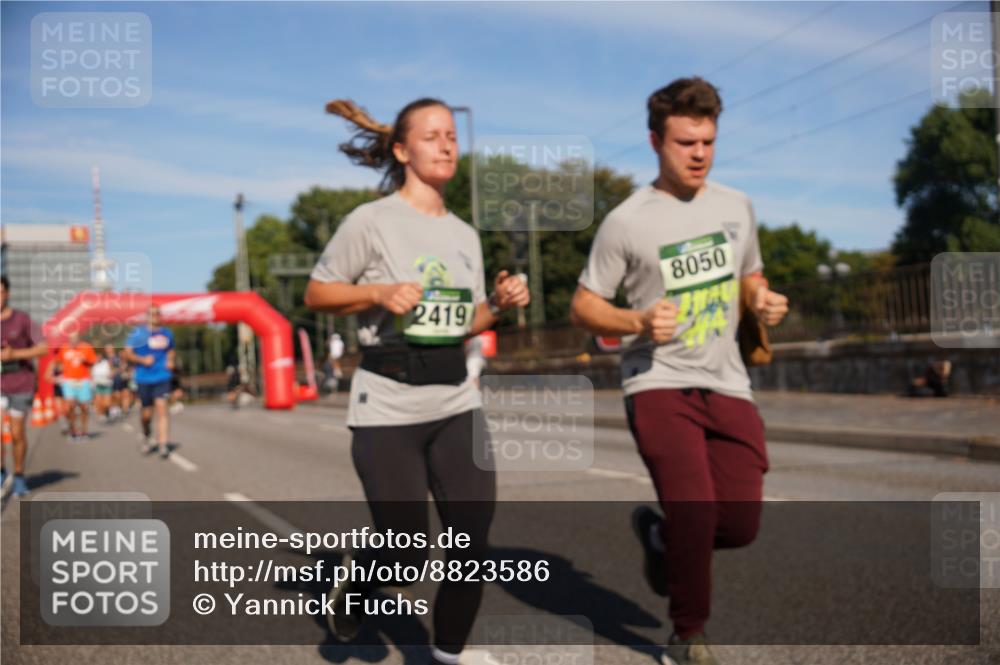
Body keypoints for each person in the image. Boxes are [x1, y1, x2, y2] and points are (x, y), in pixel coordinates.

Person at [569, 78, 789, 665]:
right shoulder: (627, 220)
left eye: (708, 142)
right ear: (655, 142)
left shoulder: (736, 206)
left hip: (728, 381)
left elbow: (751, 274)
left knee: (738, 524)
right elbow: (584, 305)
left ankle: (661, 538)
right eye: (685, 143)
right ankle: (688, 636)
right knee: (695, 509)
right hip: (657, 380)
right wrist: (637, 320)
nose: (699, 154)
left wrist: (761, 299)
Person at [305, 97, 529, 665]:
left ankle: (448, 656)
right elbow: (317, 293)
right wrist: (378, 292)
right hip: (388, 403)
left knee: (471, 547)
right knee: (406, 557)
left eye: (451, 135)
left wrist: (499, 304)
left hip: (455, 401)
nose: (447, 145)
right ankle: (359, 585)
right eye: (432, 136)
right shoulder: (371, 221)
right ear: (403, 151)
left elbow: (466, 322)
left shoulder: (465, 234)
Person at [0, 276, 48, 496]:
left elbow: (43, 348)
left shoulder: (22, 319)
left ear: (7, 294)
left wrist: (15, 354)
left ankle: (19, 476)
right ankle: (1, 473)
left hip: (20, 383)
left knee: (17, 433)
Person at [124, 305, 176, 458]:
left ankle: (163, 444)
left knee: (162, 408)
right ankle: (146, 434)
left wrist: (170, 360)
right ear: (147, 316)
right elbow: (127, 353)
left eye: (158, 313)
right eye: (152, 314)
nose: (156, 316)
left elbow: (171, 349)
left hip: (162, 376)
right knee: (146, 415)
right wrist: (142, 359)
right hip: (144, 378)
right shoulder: (138, 333)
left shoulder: (167, 333)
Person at [53, 331, 98, 442]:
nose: (73, 341)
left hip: (83, 380)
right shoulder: (64, 348)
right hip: (69, 381)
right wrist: (60, 370)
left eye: (75, 339)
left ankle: (84, 431)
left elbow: (93, 361)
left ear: (79, 339)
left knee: (84, 407)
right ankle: (73, 431)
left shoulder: (86, 348)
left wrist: (85, 361)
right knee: (70, 407)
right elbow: (57, 362)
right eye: (71, 339)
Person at [91, 345, 115, 422]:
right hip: (97, 386)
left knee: (107, 404)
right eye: (97, 356)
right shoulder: (93, 364)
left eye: (99, 355)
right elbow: (90, 374)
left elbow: (112, 371)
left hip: (106, 385)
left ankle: (107, 412)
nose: (98, 357)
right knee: (99, 403)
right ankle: (102, 415)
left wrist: (111, 374)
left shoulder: (107, 363)